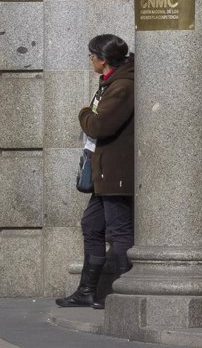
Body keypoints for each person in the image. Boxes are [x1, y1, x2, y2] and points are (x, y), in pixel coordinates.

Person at [56, 34, 135, 309]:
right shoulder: (109, 83)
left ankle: (127, 292)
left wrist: (84, 113)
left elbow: (100, 125)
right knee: (92, 224)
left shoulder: (123, 86)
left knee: (120, 230)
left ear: (103, 59)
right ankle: (87, 290)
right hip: (104, 171)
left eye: (92, 56)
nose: (90, 60)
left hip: (116, 171)